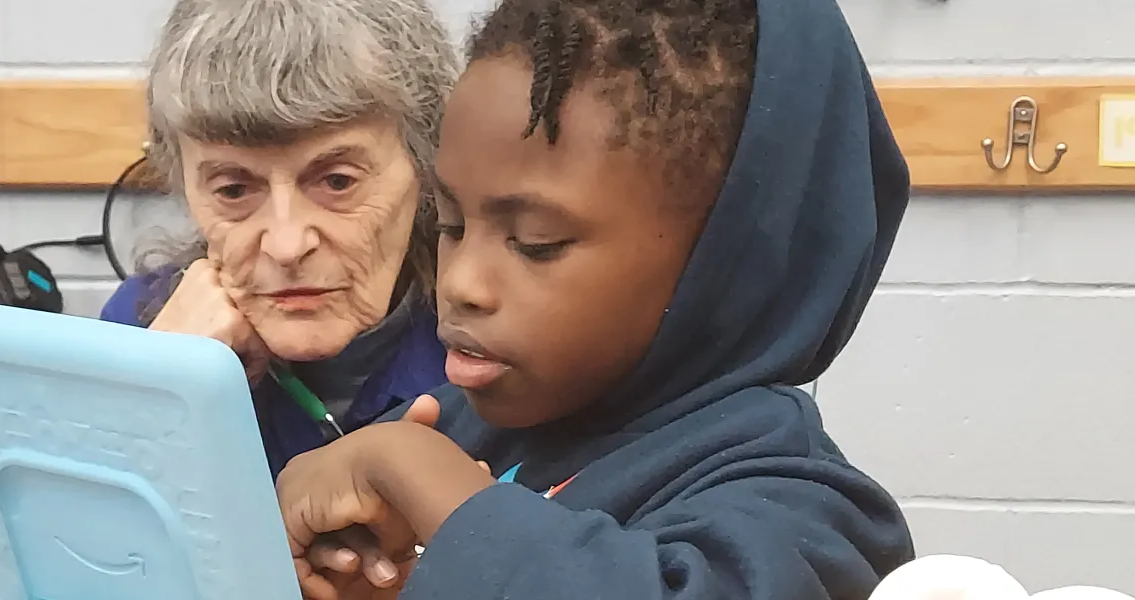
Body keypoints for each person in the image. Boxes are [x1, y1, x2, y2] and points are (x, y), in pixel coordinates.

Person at [274, 0, 917, 598]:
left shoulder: (807, 512)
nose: (460, 282)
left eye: (535, 242)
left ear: (723, 263)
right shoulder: (449, 425)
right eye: (450, 225)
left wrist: (420, 478)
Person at [100, 0, 459, 480]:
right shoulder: (138, 334)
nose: (287, 246)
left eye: (337, 181)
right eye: (234, 190)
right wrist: (159, 400)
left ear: (425, 162)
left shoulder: (497, 348)